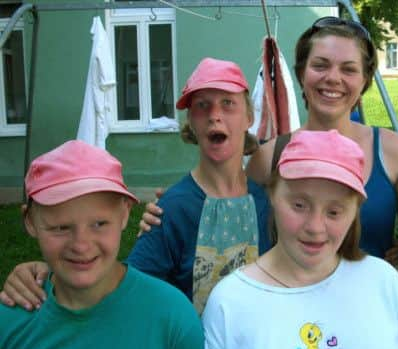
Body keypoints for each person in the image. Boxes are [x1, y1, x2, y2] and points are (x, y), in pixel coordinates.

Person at [139, 17, 398, 349]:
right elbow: (233, 201)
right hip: (287, 317)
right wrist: (168, 210)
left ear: (364, 80)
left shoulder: (391, 150)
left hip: (371, 315)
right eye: (320, 65)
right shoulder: (271, 156)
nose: (333, 78)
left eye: (348, 69)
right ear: (302, 73)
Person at [0, 58, 271, 315]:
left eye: (227, 103)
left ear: (248, 117)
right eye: (202, 105)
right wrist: (51, 274)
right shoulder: (173, 208)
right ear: (192, 122)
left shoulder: (264, 201)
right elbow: (127, 288)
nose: (214, 115)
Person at [202, 130, 398, 349]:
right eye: (299, 205)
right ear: (272, 195)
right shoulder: (230, 301)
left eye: (334, 212)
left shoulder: (383, 282)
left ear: (355, 211)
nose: (315, 227)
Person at [0, 140, 203, 349]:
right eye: (60, 227)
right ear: (30, 221)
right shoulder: (10, 320)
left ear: (125, 213)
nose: (81, 245)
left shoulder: (172, 318)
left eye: (99, 224)